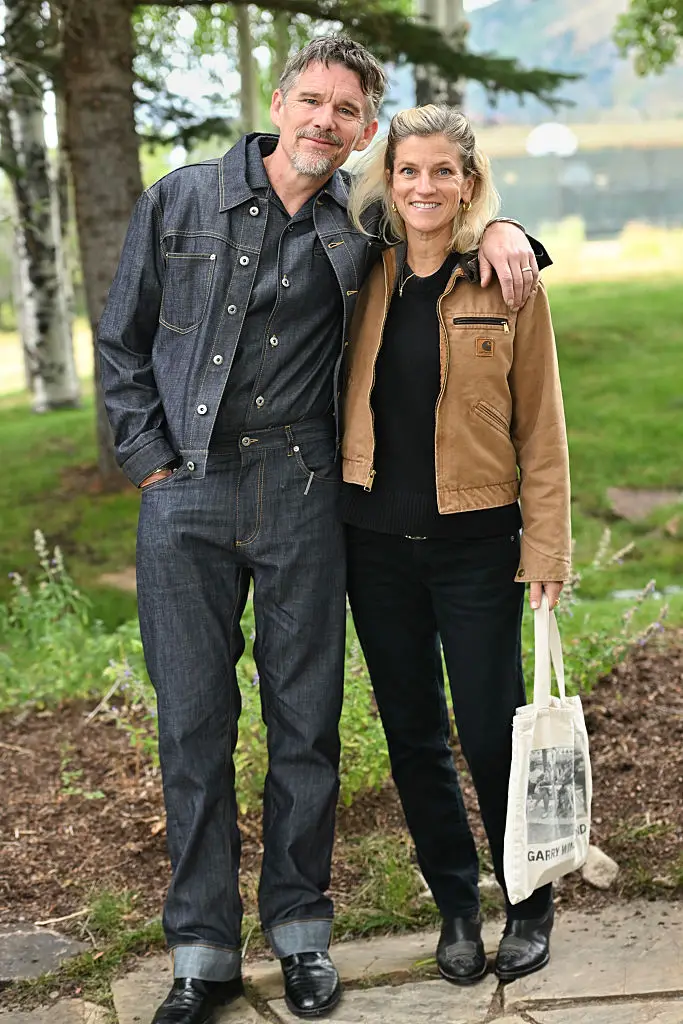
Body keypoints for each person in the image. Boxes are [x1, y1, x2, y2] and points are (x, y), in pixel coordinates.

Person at [98, 37, 551, 1024]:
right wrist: (151, 462)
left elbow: (448, 210)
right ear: (277, 100)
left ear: (359, 132)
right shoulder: (177, 200)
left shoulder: (360, 223)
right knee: (194, 726)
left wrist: (509, 222)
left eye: (346, 112)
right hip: (186, 496)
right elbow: (121, 342)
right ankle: (204, 950)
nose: (324, 122)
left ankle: (300, 932)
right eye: (311, 101)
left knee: (305, 724)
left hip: (304, 495)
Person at [343, 104, 571, 985]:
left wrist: (545, 549)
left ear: (469, 182)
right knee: (412, 735)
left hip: (477, 545)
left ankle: (529, 901)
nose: (425, 187)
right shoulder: (356, 268)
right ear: (388, 180)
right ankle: (454, 907)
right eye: (408, 171)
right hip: (371, 543)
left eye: (444, 171)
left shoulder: (508, 281)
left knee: (491, 731)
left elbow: (542, 430)